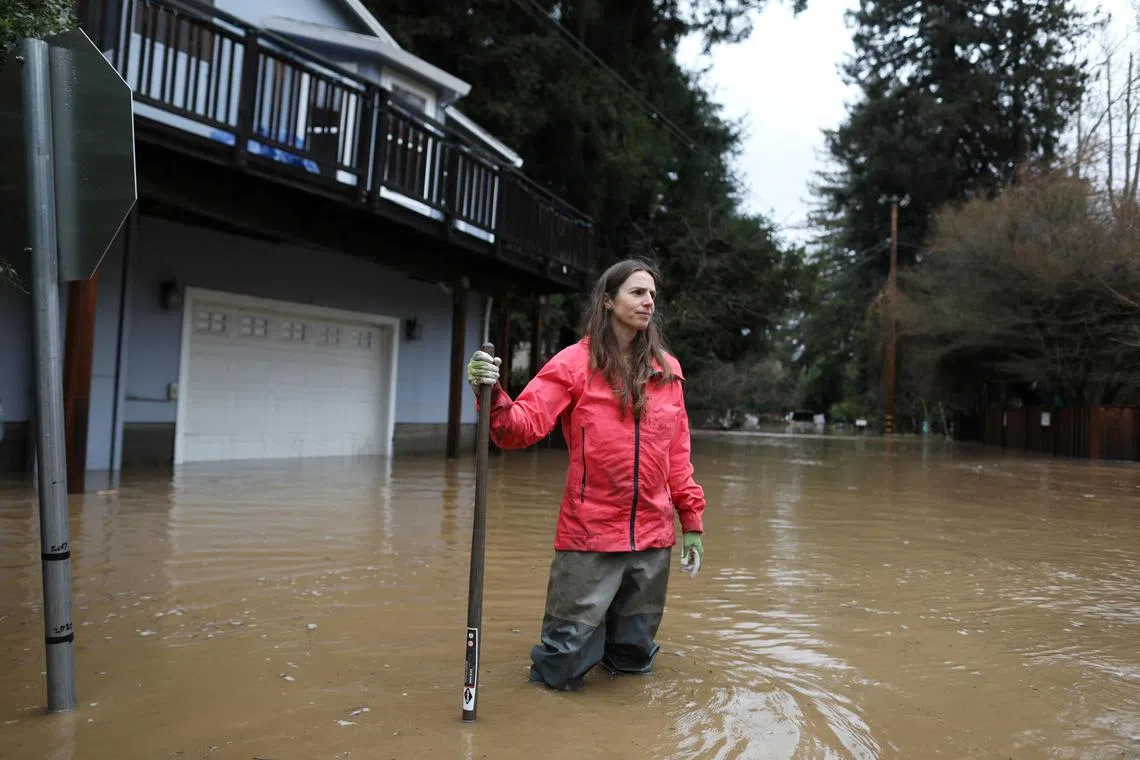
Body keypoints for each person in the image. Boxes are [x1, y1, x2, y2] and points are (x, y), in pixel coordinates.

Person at [465, 258, 706, 691]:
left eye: (652, 294)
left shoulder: (667, 372)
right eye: (637, 292)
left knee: (633, 660)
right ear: (609, 301)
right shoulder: (573, 365)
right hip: (589, 537)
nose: (648, 301)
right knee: (562, 663)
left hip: (652, 542)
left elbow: (678, 456)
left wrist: (691, 523)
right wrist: (491, 393)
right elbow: (517, 429)